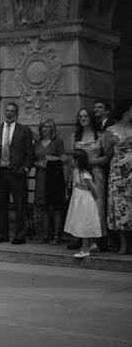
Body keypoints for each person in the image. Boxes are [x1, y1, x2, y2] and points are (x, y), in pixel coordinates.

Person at [0, 102, 34, 245]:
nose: (9, 113)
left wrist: (25, 168)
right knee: (1, 205)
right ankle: (2, 233)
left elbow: (29, 153)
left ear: (17, 113)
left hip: (17, 172)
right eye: (7, 111)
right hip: (0, 171)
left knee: (20, 205)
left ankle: (20, 235)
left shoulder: (23, 130)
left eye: (12, 111)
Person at [72, 108, 108, 250]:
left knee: (96, 206)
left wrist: (91, 162)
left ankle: (99, 239)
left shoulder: (100, 135)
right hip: (79, 175)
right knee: (81, 207)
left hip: (95, 173)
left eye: (85, 116)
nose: (83, 118)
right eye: (80, 116)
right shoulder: (76, 136)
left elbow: (107, 156)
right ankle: (82, 238)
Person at [103, 99, 132, 255]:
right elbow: (106, 153)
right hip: (118, 172)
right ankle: (122, 243)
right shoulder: (111, 130)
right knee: (120, 206)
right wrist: (112, 144)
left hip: (131, 172)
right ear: (126, 111)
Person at [34, 118, 67, 244]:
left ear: (52, 129)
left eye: (47, 127)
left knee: (56, 206)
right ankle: (46, 234)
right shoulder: (37, 143)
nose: (44, 129)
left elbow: (64, 158)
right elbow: (32, 159)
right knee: (43, 206)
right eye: (43, 127)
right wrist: (38, 164)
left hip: (54, 176)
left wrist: (52, 160)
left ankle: (57, 235)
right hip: (41, 175)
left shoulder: (57, 142)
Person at [64, 149, 102, 259]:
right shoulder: (76, 171)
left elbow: (93, 188)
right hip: (78, 199)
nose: (70, 161)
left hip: (84, 200)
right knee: (80, 220)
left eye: (72, 159)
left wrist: (95, 198)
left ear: (78, 160)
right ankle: (90, 244)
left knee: (84, 222)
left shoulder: (84, 174)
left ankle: (85, 249)